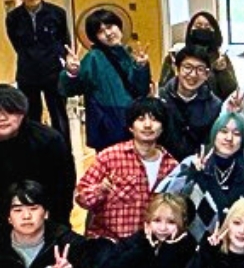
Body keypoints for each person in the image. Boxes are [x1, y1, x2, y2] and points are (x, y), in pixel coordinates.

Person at [0, 85, 76, 234]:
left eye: (10, 111)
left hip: (43, 219)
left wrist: (57, 227)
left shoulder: (49, 140)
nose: (2, 118)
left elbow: (64, 188)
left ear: (22, 113)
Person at [75, 98, 179, 241]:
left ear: (162, 128)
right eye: (141, 119)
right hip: (110, 242)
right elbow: (81, 198)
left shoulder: (172, 166)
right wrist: (100, 190)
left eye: (154, 120)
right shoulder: (109, 157)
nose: (147, 125)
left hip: (150, 244)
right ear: (130, 127)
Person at [60, 8, 152, 150]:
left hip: (132, 122)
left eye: (110, 27)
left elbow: (141, 91)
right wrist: (72, 72)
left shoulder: (129, 54)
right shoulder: (93, 58)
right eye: (101, 31)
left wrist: (141, 67)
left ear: (119, 26)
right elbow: (69, 90)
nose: (108, 33)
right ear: (95, 37)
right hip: (107, 126)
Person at [157, 112, 244, 241]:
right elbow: (165, 196)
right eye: (223, 131)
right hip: (193, 242)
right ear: (214, 134)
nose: (229, 138)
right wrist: (192, 174)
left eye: (236, 134)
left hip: (235, 243)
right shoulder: (193, 162)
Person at [2, 0, 72, 137]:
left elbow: (65, 41)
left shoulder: (57, 13)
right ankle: (35, 149)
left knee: (59, 115)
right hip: (27, 73)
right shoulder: (13, 18)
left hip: (53, 71)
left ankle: (63, 149)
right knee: (31, 116)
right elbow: (16, 44)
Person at [158, 45, 224, 160]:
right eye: (187, 67)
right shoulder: (160, 98)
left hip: (198, 165)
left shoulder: (214, 105)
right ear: (176, 69)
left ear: (207, 74)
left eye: (200, 69)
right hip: (163, 164)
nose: (193, 74)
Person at [159, 11, 239, 100]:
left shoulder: (220, 58)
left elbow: (233, 93)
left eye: (207, 27)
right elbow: (163, 91)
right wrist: (176, 74)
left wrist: (223, 72)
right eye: (198, 26)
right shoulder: (176, 56)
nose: (203, 29)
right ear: (190, 30)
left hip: (213, 107)